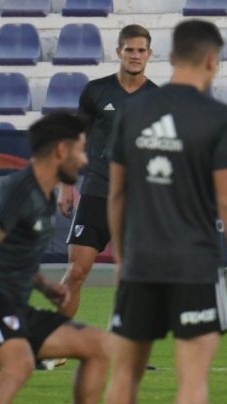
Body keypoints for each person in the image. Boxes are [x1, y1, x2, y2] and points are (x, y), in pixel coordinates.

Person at [80, 20, 227, 404]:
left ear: (169, 56)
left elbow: (115, 192)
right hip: (194, 265)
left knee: (126, 375)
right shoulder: (217, 117)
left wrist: (121, 257)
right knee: (192, 376)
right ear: (212, 61)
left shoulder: (133, 112)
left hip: (139, 263)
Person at [0, 112, 110, 404]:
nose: (85, 159)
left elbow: (10, 256)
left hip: (16, 306)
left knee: (97, 345)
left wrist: (45, 287)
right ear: (61, 150)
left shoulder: (42, 197)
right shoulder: (17, 192)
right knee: (19, 363)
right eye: (80, 149)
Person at [56, 24, 157, 319]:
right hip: (97, 193)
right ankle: (57, 342)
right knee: (75, 272)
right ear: (119, 52)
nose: (135, 56)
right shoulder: (96, 91)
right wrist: (65, 185)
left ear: (149, 54)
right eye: (130, 50)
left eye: (141, 51)